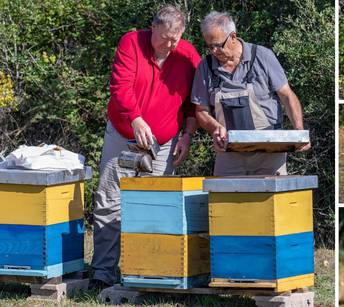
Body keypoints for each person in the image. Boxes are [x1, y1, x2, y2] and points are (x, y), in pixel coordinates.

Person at [89, 5, 200, 290]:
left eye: (176, 38)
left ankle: (151, 273)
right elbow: (120, 86)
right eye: (165, 38)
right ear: (153, 28)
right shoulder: (131, 42)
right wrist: (136, 119)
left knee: (157, 207)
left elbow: (195, 102)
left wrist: (187, 135)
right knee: (110, 200)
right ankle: (103, 272)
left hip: (164, 143)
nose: (170, 44)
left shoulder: (188, 55)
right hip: (124, 134)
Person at [191, 11, 310, 176]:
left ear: (233, 36)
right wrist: (215, 128)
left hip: (269, 151)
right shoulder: (205, 67)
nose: (214, 51)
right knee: (225, 200)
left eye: (218, 45)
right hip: (228, 152)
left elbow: (287, 96)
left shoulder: (262, 56)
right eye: (210, 46)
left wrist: (299, 131)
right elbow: (201, 111)